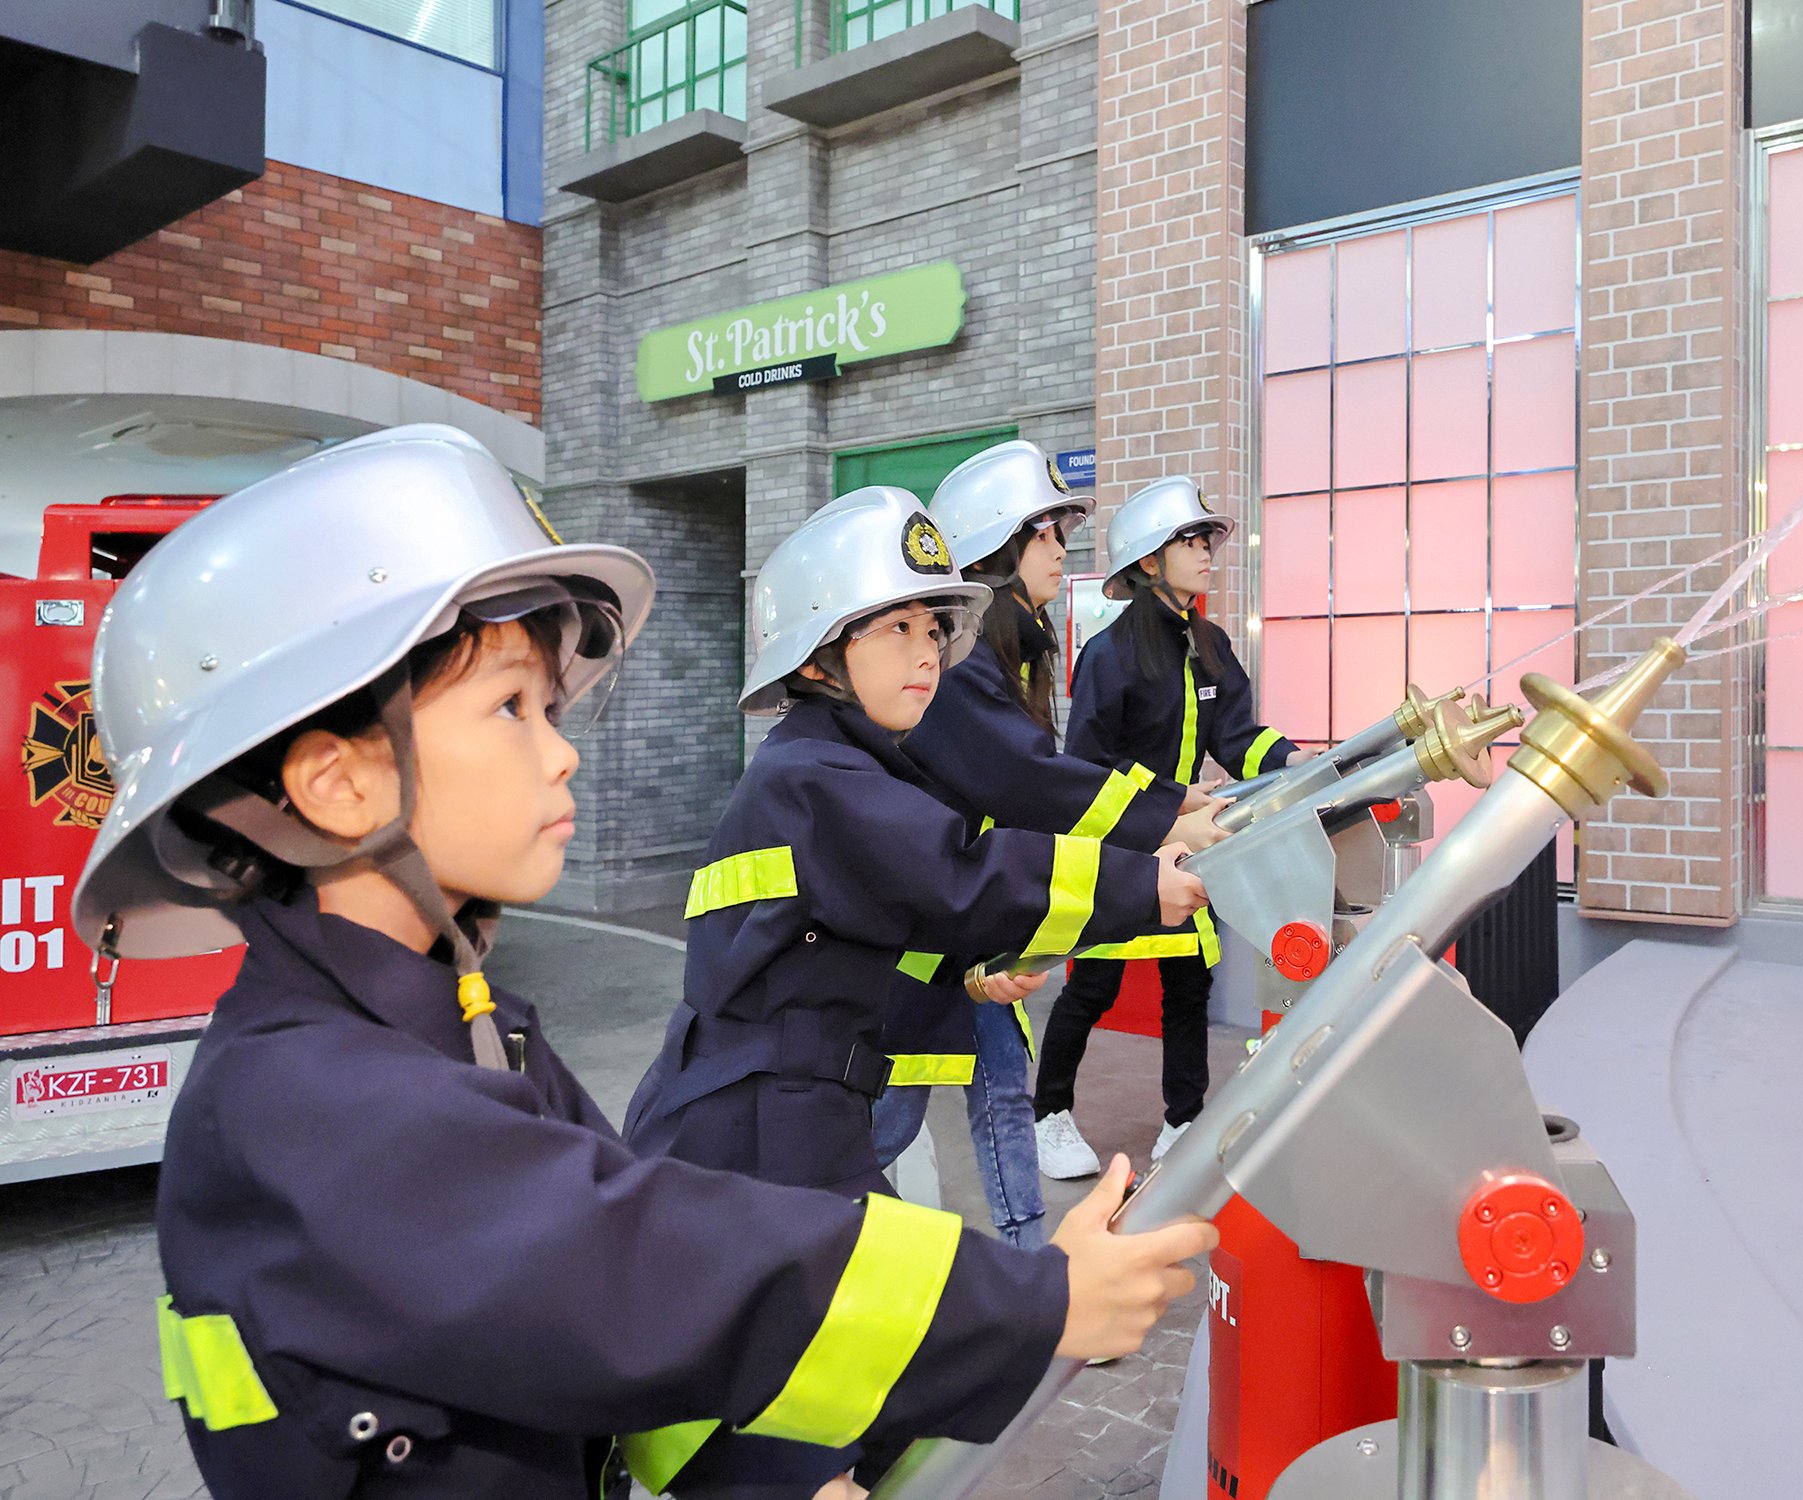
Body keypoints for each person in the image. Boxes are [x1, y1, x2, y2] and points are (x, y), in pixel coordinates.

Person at [76, 427, 1215, 1500]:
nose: (564, 750)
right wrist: (1034, 1306)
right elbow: (657, 1273)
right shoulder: (312, 1103)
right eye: (512, 706)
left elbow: (614, 1352)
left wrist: (759, 1479)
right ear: (339, 784)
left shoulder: (461, 1024)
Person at [622, 485, 1210, 1495]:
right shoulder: (813, 775)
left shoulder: (846, 766)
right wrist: (1146, 884)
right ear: (817, 659)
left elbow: (890, 913)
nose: (928, 650)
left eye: (934, 626)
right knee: (798, 1401)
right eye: (894, 628)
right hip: (759, 1130)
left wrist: (976, 970)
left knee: (867, 1368)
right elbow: (961, 875)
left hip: (788, 1113)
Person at [870, 441, 1232, 1248]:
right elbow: (1038, 778)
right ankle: (806, 1254)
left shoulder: (1010, 654)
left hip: (974, 926)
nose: (1063, 552)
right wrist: (1165, 822)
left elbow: (1036, 783)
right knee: (884, 1127)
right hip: (928, 940)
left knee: (1000, 1098)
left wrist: (1181, 805)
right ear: (1003, 547)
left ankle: (1032, 1265)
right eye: (1049, 536)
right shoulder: (967, 666)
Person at [1031, 476, 1310, 1179]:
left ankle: (1183, 1120)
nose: (1207, 550)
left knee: (1188, 984)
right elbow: (1088, 765)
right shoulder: (1110, 653)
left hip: (1189, 846)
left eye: (1206, 539)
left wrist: (1299, 764)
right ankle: (1047, 1116)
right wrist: (1170, 801)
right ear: (1150, 559)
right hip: (1117, 845)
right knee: (1091, 988)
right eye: (1192, 540)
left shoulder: (1210, 643)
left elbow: (1240, 737)